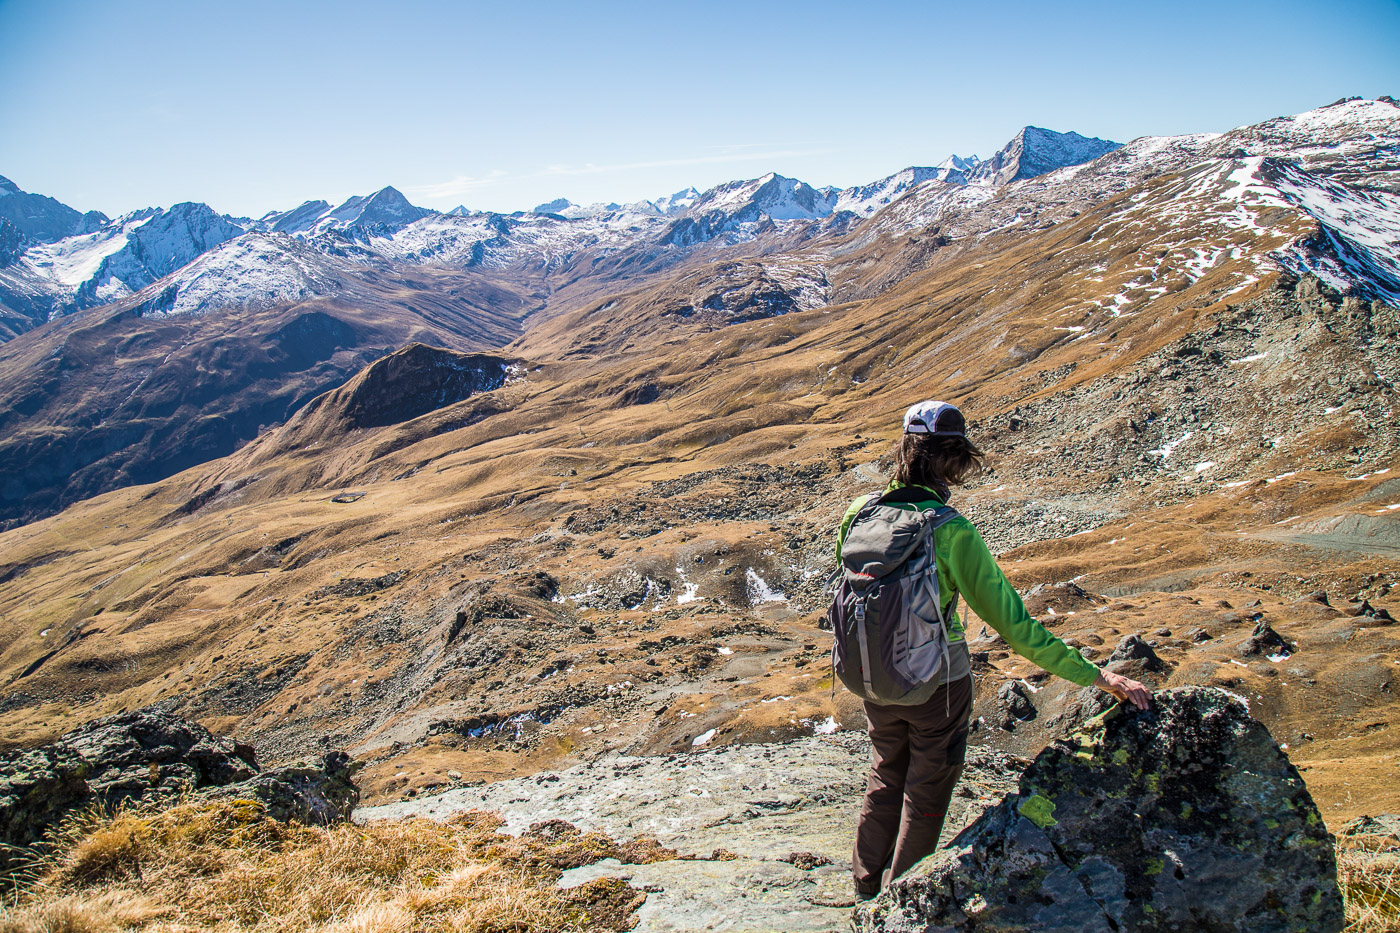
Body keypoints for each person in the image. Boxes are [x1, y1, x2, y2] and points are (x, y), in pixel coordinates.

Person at [836, 399, 1151, 900]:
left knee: (885, 775)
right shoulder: (951, 531)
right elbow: (1016, 628)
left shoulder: (859, 513)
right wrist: (1100, 677)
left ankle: (865, 886)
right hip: (937, 685)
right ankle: (902, 904)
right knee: (926, 792)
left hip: (871, 676)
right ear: (954, 460)